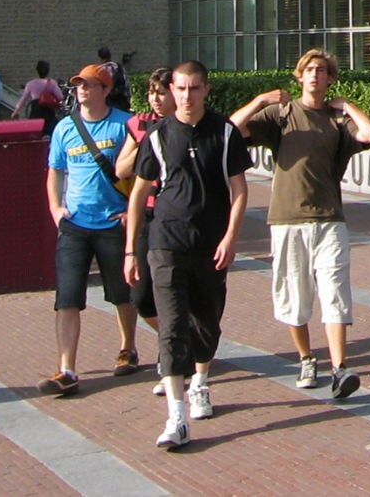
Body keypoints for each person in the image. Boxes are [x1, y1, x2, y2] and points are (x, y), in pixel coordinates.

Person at [231, 47, 370, 399]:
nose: (314, 74)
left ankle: (340, 369)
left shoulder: (336, 122)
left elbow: (369, 135)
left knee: (335, 292)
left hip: (329, 219)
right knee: (294, 295)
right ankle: (306, 357)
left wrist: (349, 107)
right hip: (287, 219)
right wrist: (260, 99)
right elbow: (232, 129)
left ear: (330, 78)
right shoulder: (281, 115)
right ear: (299, 76)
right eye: (308, 69)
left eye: (322, 70)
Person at [124, 59, 251, 450]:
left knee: (206, 322)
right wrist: (131, 250)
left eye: (194, 88)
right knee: (173, 324)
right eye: (180, 88)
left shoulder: (225, 132)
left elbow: (240, 189)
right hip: (166, 241)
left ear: (206, 91)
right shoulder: (159, 134)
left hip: (210, 243)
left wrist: (231, 235)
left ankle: (201, 381)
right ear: (172, 91)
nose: (186, 95)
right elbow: (138, 193)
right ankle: (176, 418)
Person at [38, 63, 139, 396]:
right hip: (75, 225)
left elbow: (143, 172)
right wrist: (56, 209)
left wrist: (131, 212)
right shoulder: (65, 128)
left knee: (121, 293)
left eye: (89, 84)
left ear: (105, 90)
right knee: (66, 298)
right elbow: (55, 171)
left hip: (113, 221)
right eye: (78, 84)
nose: (81, 89)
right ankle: (67, 368)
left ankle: (128, 347)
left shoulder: (125, 124)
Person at [115, 66, 176, 390]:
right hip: (144, 215)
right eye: (152, 92)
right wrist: (147, 144)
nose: (155, 99)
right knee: (140, 295)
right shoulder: (138, 124)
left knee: (172, 289)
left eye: (161, 92)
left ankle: (173, 352)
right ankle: (177, 337)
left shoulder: (183, 126)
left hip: (173, 217)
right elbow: (121, 167)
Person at [11, 59, 64, 129]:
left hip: (35, 110)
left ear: (37, 70)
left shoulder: (30, 84)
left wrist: (15, 112)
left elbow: (23, 100)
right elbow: (60, 97)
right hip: (48, 111)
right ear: (48, 71)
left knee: (35, 131)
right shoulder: (52, 83)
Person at [98, 44, 131, 111]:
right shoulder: (119, 67)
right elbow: (127, 83)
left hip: (107, 101)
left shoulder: (99, 70)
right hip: (121, 99)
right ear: (110, 56)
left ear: (100, 58)